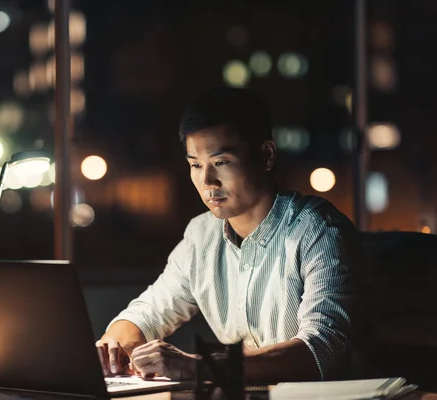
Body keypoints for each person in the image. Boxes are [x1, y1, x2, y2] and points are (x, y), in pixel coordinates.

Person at [96, 86, 362, 384]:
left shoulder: (318, 230)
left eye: (220, 163)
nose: (207, 181)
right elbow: (150, 311)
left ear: (266, 155)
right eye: (196, 165)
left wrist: (197, 366)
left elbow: (323, 350)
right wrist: (113, 345)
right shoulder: (201, 235)